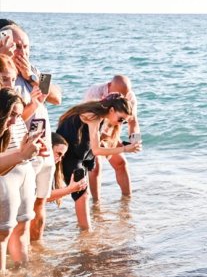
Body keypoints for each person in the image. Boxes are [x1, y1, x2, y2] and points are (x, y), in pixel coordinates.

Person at [6, 24, 62, 242]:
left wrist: (31, 75)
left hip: (45, 150)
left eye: (26, 46)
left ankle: (37, 250)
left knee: (40, 202)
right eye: (17, 46)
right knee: (19, 213)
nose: (23, 52)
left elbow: (57, 97)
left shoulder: (34, 70)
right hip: (23, 152)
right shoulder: (6, 76)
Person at [56, 94, 141, 230]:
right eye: (120, 119)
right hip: (69, 155)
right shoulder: (94, 116)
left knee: (83, 193)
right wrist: (124, 149)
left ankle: (86, 229)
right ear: (112, 110)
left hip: (80, 152)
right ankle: (86, 233)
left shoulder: (99, 114)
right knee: (82, 194)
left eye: (124, 121)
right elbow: (96, 150)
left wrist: (107, 139)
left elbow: (89, 138)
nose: (121, 123)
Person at [0, 87, 42, 273]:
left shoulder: (14, 124)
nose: (16, 120)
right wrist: (21, 155)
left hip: (21, 173)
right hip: (6, 178)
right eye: (12, 115)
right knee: (3, 232)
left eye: (18, 115)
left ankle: (22, 272)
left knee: (22, 225)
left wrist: (29, 152)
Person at [82, 75, 140, 201]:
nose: (122, 98)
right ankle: (96, 204)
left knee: (121, 163)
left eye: (125, 95)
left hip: (111, 130)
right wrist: (100, 141)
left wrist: (135, 141)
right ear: (109, 86)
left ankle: (127, 201)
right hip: (91, 131)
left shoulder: (129, 97)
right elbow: (88, 120)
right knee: (95, 167)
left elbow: (132, 122)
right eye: (119, 94)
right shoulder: (94, 92)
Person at [46, 132, 87, 205]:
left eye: (62, 156)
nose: (60, 159)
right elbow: (40, 197)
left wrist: (69, 189)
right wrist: (69, 190)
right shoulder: (34, 166)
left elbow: (43, 197)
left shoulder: (48, 169)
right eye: (58, 154)